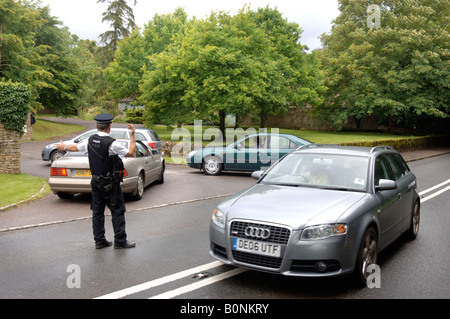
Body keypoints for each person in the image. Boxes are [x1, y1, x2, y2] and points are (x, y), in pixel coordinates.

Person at [55, 114, 136, 249]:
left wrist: (63, 147)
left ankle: (99, 241)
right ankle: (120, 241)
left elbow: (75, 148)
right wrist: (132, 135)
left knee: (97, 212)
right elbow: (131, 152)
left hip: (95, 182)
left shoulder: (90, 140)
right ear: (109, 127)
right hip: (111, 184)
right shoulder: (112, 143)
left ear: (97, 126)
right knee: (117, 210)